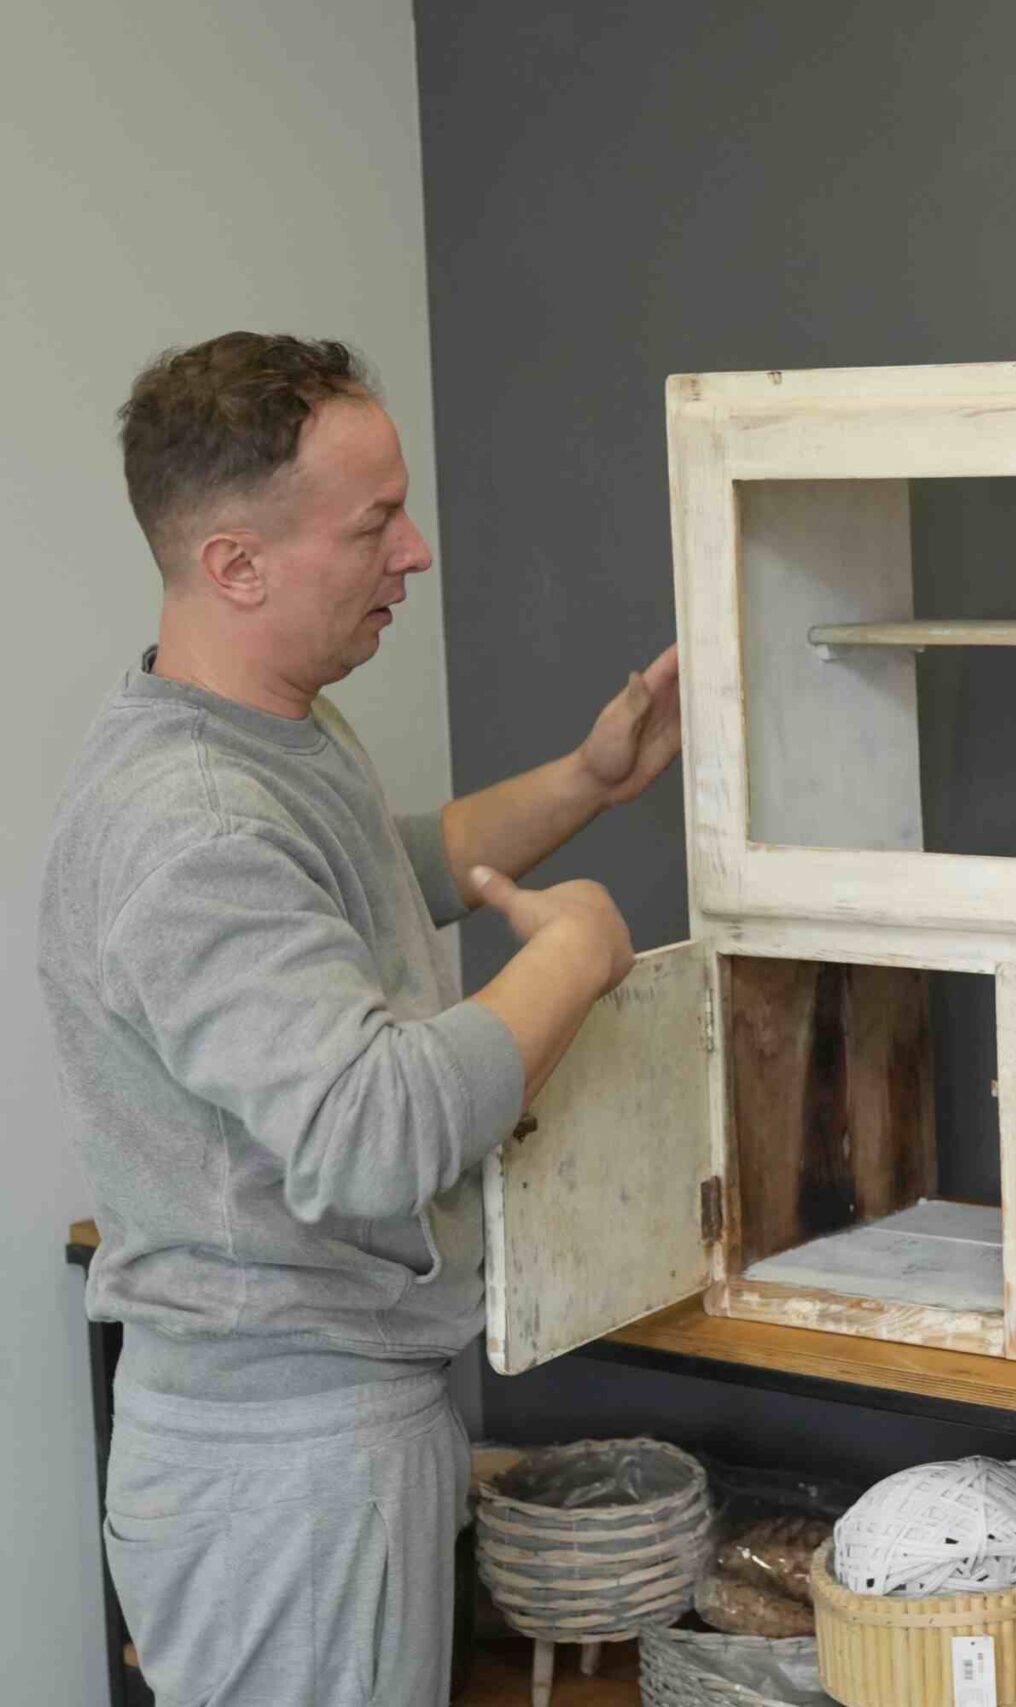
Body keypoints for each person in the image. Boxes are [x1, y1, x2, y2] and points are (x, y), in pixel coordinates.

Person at [38, 332, 683, 1705]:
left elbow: (385, 864)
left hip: (325, 1438)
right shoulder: (192, 828)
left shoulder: (271, 731)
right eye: (375, 523)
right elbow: (373, 1128)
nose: (416, 552)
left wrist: (586, 779)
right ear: (237, 565)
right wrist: (576, 953)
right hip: (287, 1471)